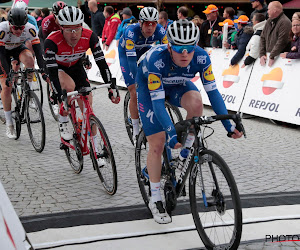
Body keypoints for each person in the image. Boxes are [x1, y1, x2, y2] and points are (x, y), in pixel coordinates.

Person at [135, 19, 243, 224]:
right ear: (169, 46)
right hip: (150, 91)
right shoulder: (156, 60)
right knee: (157, 144)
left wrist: (229, 125)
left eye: (189, 48)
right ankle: (156, 198)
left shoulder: (202, 57)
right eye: (178, 48)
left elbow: (213, 92)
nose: (184, 54)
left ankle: (185, 153)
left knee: (196, 103)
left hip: (176, 83)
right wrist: (170, 132)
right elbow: (158, 104)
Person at [44, 6, 120, 142]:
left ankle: (96, 149)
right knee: (68, 86)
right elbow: (53, 73)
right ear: (61, 28)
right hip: (59, 68)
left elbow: (102, 63)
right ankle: (63, 120)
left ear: (81, 26)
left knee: (88, 109)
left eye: (77, 29)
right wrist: (57, 94)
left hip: (76, 66)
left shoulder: (89, 36)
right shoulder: (52, 41)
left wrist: (110, 85)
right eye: (68, 30)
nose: (73, 34)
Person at [118, 7, 167, 143]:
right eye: (147, 23)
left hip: (145, 50)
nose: (150, 27)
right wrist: (137, 79)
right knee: (134, 90)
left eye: (153, 23)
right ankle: (135, 129)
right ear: (140, 22)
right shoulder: (131, 32)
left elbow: (166, 54)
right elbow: (132, 61)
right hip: (127, 54)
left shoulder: (161, 31)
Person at [0, 8, 44, 138]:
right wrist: (8, 75)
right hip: (2, 53)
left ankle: (28, 89)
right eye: (15, 28)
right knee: (7, 87)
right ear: (9, 24)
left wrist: (43, 70)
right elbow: (1, 55)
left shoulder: (30, 28)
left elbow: (38, 51)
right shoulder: (2, 29)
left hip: (18, 48)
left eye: (21, 28)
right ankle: (9, 124)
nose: (18, 31)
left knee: (30, 59)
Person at [260, 1, 291, 67]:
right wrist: (262, 54)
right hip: (269, 56)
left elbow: (282, 41)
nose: (267, 11)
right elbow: (262, 37)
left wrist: (272, 56)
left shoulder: (285, 22)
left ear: (275, 10)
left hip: (280, 60)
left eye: (268, 9)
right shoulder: (269, 20)